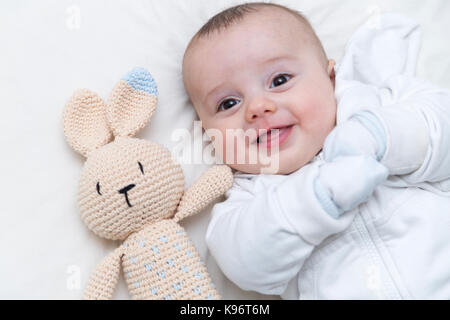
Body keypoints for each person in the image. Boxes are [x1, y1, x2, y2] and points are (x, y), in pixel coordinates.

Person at [182, 2, 450, 299]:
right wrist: (316, 198)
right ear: (208, 135)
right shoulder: (247, 203)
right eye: (228, 103)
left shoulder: (379, 103)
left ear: (331, 78)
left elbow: (441, 124)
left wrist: (378, 136)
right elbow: (245, 262)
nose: (257, 107)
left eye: (279, 81)